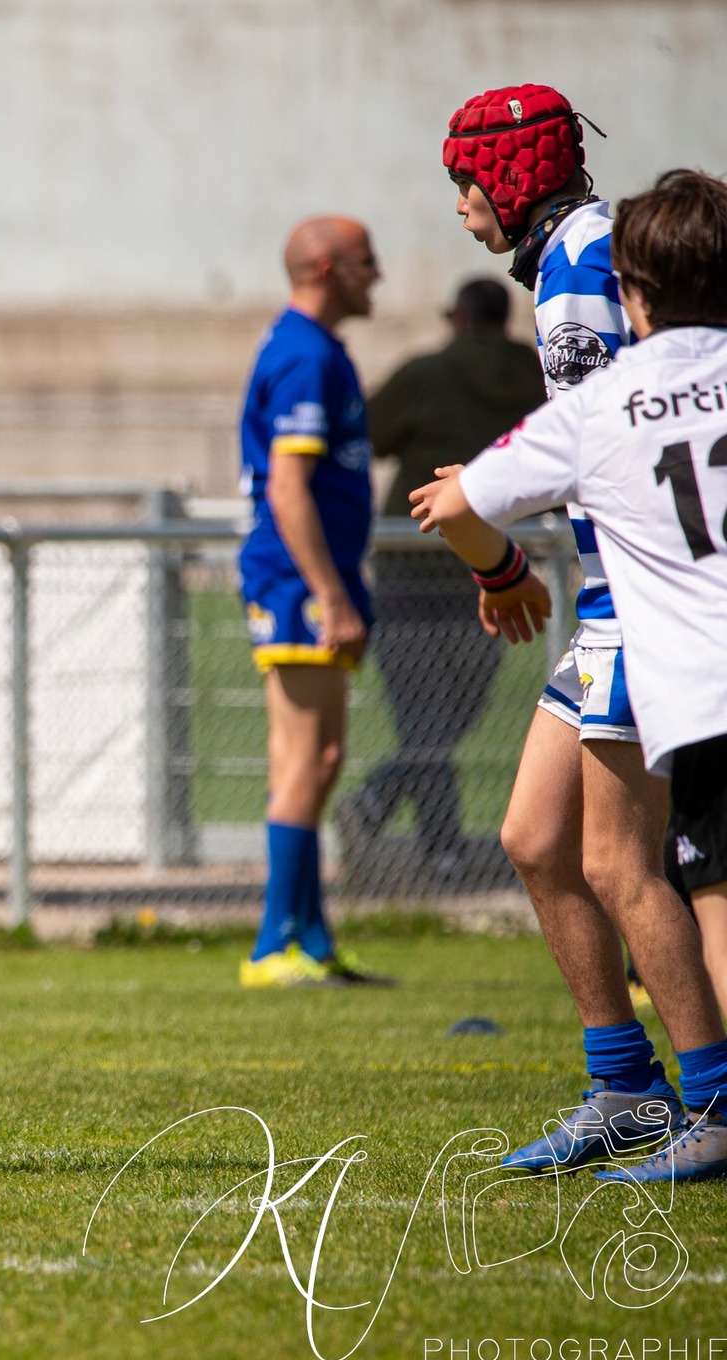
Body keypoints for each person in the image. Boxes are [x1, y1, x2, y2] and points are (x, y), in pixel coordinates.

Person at [412, 169, 727, 1183]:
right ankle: (624, 1088)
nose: (457, 204)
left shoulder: (576, 280)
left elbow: (465, 497)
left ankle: (711, 1098)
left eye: (465, 181)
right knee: (534, 839)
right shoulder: (584, 262)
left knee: (627, 867)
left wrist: (499, 570)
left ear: (636, 290)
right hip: (612, 617)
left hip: (647, 622)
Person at [337, 278, 545, 884]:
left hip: (413, 564)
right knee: (450, 718)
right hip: (493, 566)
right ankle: (442, 845)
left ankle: (381, 810)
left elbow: (368, 438)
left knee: (422, 720)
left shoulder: (425, 373)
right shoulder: (538, 379)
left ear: (457, 317)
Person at [234, 217, 393, 988]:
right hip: (298, 581)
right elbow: (287, 485)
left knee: (318, 759)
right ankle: (275, 945)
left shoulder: (315, 348)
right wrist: (331, 594)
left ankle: (314, 942)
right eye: (367, 261)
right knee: (307, 758)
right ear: (328, 267)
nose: (381, 275)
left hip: (313, 578)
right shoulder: (304, 354)